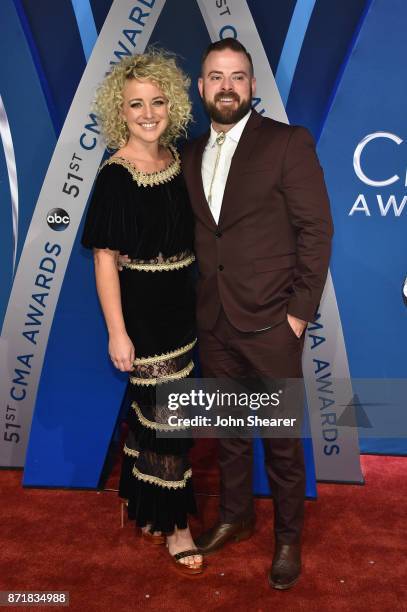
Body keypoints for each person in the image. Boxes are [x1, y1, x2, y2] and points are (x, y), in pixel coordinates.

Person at [181, 38, 334, 589]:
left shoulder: (287, 143)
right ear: (201, 88)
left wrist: (298, 315)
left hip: (273, 322)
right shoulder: (191, 152)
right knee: (228, 433)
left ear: (251, 85)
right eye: (215, 76)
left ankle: (288, 537)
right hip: (214, 322)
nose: (226, 86)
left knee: (283, 440)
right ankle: (235, 517)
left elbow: (316, 231)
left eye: (237, 76)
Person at [80, 50, 204, 575]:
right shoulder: (116, 175)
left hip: (186, 306)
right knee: (169, 423)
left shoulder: (179, 159)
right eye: (136, 104)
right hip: (146, 313)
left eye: (157, 101)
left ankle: (145, 506)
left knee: (156, 418)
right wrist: (118, 333)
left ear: (171, 104)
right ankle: (178, 527)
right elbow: (106, 260)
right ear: (120, 111)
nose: (148, 113)